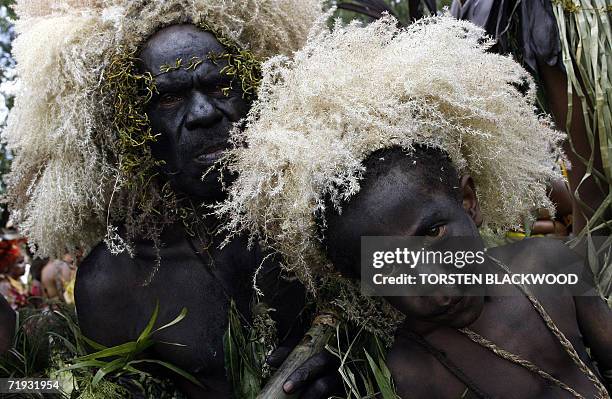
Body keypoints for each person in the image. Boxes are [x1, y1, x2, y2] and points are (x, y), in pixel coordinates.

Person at [217, 15, 611, 397]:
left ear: (468, 201)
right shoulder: (408, 374)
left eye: (434, 233)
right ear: (359, 279)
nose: (439, 288)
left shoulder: (550, 266)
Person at [3, 1, 341, 397]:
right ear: (133, 131)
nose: (204, 113)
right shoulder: (114, 281)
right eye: (168, 98)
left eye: (221, 86)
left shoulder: (333, 207)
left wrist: (358, 362)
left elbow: (427, 275)